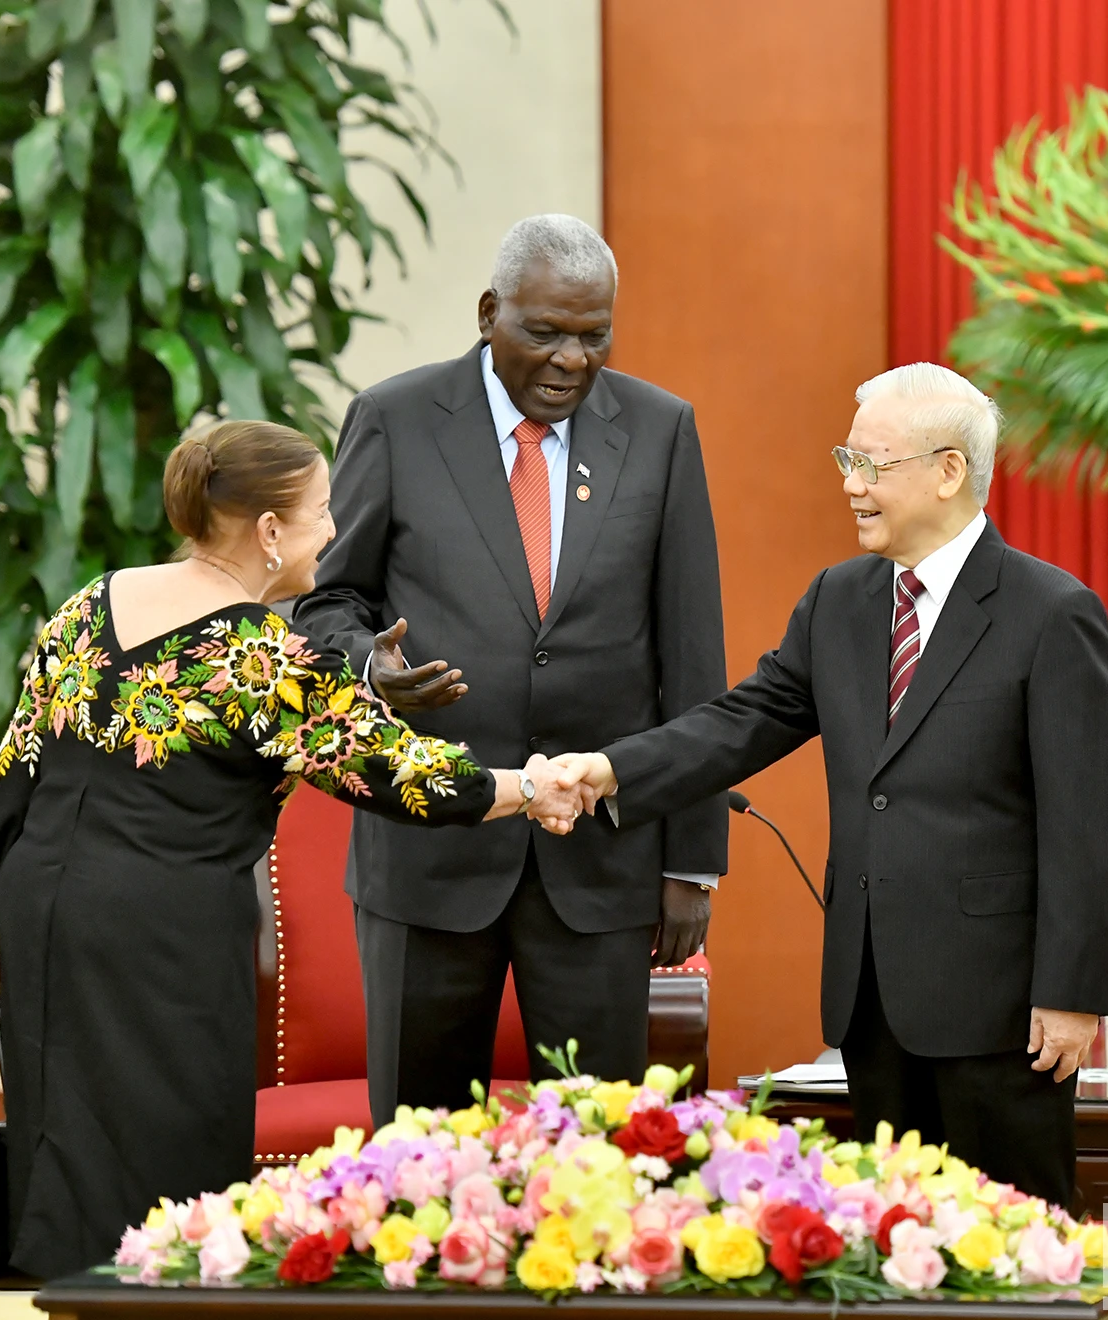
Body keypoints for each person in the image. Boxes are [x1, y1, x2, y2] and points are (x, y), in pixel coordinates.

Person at [0, 419, 587, 1280]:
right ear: (267, 531)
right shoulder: (260, 657)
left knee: (63, 1154)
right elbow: (407, 776)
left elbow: (9, 777)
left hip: (48, 917)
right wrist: (538, 784)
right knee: (169, 1175)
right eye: (322, 512)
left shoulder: (89, 603)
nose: (332, 531)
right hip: (167, 936)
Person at [550, 363, 1108, 1208]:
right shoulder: (839, 601)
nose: (851, 484)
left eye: (872, 465)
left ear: (947, 471)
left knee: (1016, 1254)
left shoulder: (1050, 613)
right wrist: (612, 769)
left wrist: (1072, 994)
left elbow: (1086, 823)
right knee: (893, 1244)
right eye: (845, 459)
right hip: (872, 998)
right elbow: (740, 723)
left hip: (1003, 1010)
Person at [293, 215, 729, 1122]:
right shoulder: (395, 418)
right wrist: (368, 670)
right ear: (490, 312)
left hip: (601, 865)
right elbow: (327, 603)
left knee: (598, 1159)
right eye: (546, 333)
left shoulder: (660, 430)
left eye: (594, 334)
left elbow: (692, 658)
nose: (572, 359)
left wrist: (693, 859)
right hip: (428, 852)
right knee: (416, 1160)